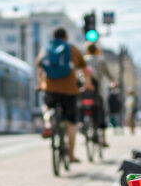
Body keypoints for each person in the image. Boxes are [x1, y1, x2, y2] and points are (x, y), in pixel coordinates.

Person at [36, 27, 91, 163]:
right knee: (71, 123)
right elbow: (84, 69)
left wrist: (41, 83)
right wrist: (88, 84)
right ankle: (71, 155)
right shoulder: (72, 49)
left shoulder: (46, 49)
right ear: (66, 37)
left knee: (46, 105)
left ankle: (48, 123)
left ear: (53, 37)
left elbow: (39, 67)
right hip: (69, 90)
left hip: (50, 88)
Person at [83, 42, 115, 147]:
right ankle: (103, 140)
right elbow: (108, 74)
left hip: (84, 91)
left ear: (87, 50)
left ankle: (84, 130)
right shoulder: (101, 60)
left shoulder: (83, 60)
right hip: (98, 91)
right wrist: (113, 82)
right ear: (96, 50)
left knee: (82, 109)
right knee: (101, 113)